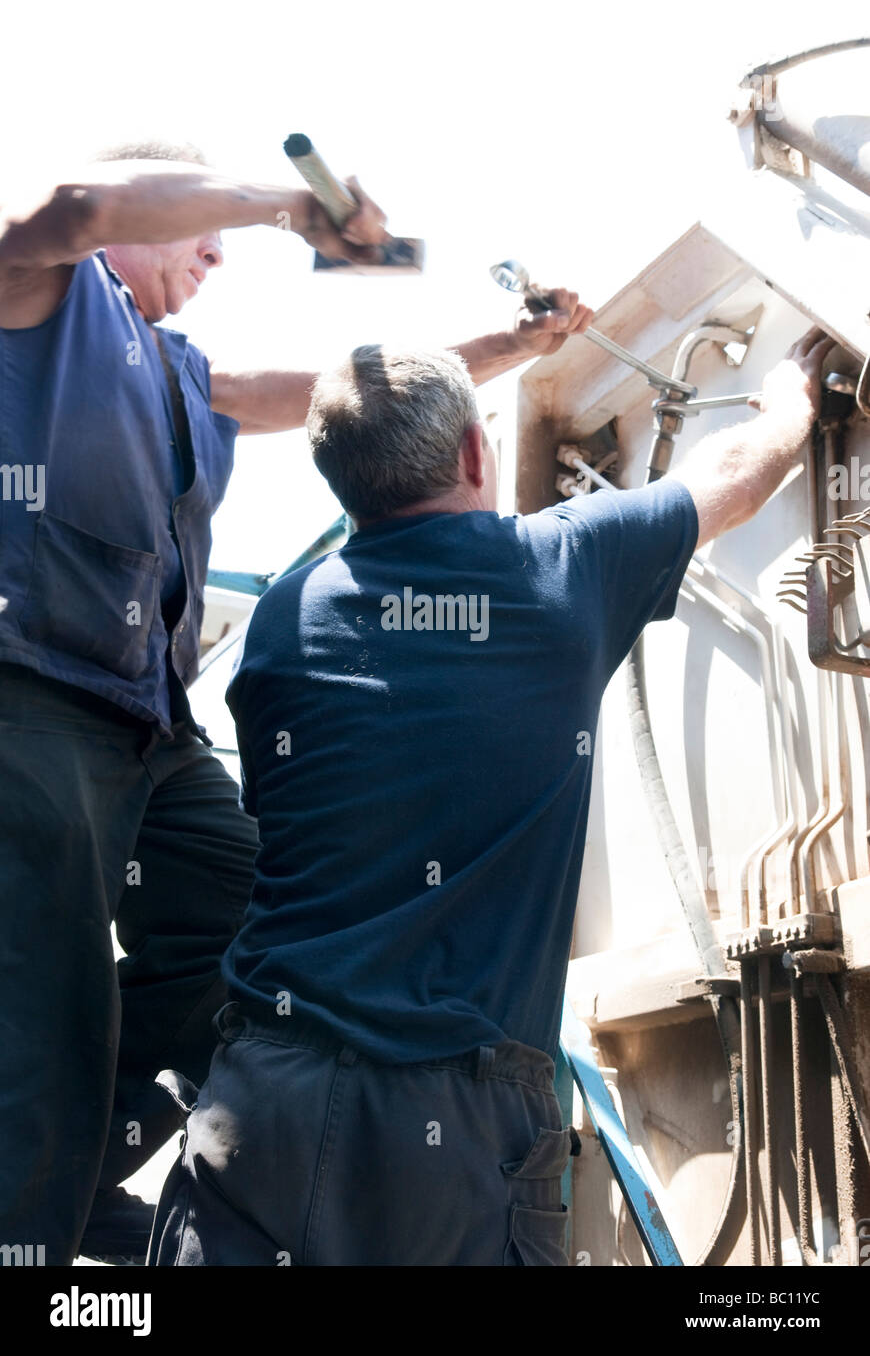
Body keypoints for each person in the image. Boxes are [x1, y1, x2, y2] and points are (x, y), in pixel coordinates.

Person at [0, 139, 590, 1265]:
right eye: (196, 234)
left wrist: (512, 344)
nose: (217, 253)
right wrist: (283, 208)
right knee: (45, 1008)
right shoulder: (31, 290)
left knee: (242, 934)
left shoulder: (173, 372)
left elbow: (335, 394)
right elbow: (70, 204)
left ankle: (58, 1181)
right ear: (132, 218)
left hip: (149, 734)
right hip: (30, 702)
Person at [148, 327, 833, 1266]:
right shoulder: (564, 567)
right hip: (450, 1134)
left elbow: (281, 821)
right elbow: (737, 478)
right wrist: (793, 399)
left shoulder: (282, 619)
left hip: (263, 1096)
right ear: (475, 452)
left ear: (340, 481)